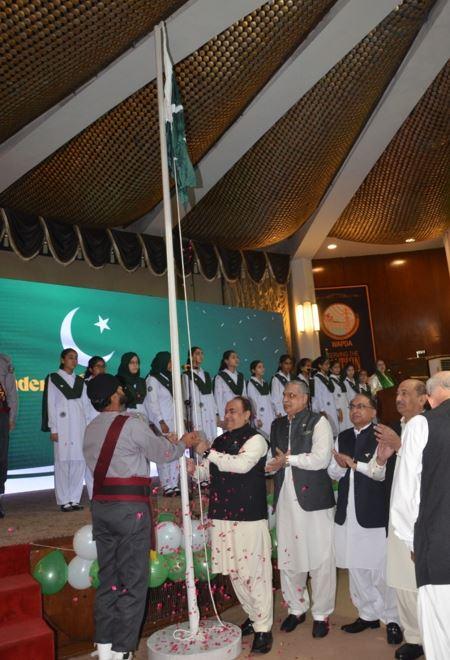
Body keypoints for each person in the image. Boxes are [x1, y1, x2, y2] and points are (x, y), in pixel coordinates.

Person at [84, 373, 200, 660]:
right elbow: (164, 453)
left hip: (101, 509)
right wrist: (183, 442)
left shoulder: (90, 428)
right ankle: (123, 650)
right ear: (112, 396)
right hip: (129, 509)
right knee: (133, 582)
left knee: (109, 578)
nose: (124, 390)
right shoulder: (130, 424)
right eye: (120, 388)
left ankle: (105, 648)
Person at [188, 396, 273, 655]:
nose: (229, 415)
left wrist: (207, 452)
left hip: (248, 516)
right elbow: (207, 471)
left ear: (248, 414)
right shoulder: (220, 441)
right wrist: (194, 468)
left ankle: (263, 628)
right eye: (226, 412)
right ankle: (252, 614)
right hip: (222, 516)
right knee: (234, 570)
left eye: (234, 411)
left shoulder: (256, 440)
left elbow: (241, 465)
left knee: (254, 572)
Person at [328, 394, 402, 645]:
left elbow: (380, 474)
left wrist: (352, 463)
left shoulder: (383, 434)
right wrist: (339, 464)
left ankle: (393, 619)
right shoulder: (344, 436)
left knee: (381, 569)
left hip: (374, 510)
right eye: (352, 406)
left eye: (362, 406)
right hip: (348, 512)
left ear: (373, 411)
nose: (356, 410)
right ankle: (367, 613)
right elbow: (334, 472)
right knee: (356, 567)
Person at [266, 380, 336, 638]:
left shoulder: (319, 422)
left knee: (320, 558)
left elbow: (321, 458)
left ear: (305, 399)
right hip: (285, 497)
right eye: (285, 395)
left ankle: (321, 613)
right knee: (289, 557)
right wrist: (270, 465)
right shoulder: (277, 425)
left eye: (292, 395)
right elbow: (270, 459)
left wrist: (288, 460)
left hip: (314, 500)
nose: (286, 399)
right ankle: (296, 609)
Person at [391, 371, 450, 660]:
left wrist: (413, 541)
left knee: (441, 629)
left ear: (429, 396)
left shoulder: (421, 425)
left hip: (439, 544)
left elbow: (405, 494)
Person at [372, 380, 427, 660]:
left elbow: (427, 466)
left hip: (422, 519)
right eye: (398, 393)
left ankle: (435, 635)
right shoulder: (393, 428)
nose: (399, 398)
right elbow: (377, 471)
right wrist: (381, 461)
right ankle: (415, 638)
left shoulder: (431, 427)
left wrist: (401, 446)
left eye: (406, 393)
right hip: (396, 518)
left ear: (423, 399)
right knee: (402, 582)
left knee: (426, 583)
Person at [42, 348, 87, 512]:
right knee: (62, 463)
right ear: (62, 360)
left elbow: (86, 405)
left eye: (75, 358)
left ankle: (74, 499)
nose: (73, 361)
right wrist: (53, 428)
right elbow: (50, 404)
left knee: (78, 462)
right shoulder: (53, 378)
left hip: (79, 426)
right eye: (70, 358)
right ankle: (63, 500)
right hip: (62, 426)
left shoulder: (80, 382)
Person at [146, 351, 180, 497]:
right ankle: (166, 484)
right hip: (162, 422)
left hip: (174, 420)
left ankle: (174, 483)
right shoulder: (153, 379)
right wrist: (160, 420)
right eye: (169, 361)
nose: (172, 364)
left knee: (175, 451)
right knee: (164, 452)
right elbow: (152, 402)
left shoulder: (171, 378)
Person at [182, 346, 219, 443]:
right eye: (198, 353)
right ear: (191, 356)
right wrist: (186, 418)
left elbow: (211, 395)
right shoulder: (187, 375)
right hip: (196, 412)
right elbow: (185, 398)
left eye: (202, 353)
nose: (201, 356)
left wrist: (216, 413)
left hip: (209, 412)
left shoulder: (206, 374)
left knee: (212, 437)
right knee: (199, 439)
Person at [82, 356, 107, 499]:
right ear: (91, 369)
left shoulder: (108, 383)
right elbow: (84, 408)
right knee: (92, 462)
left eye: (103, 366)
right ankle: (93, 496)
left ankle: (105, 494)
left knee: (106, 461)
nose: (101, 369)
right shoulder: (85, 384)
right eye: (98, 366)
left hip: (106, 425)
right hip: (91, 427)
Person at [0, 352, 18, 518]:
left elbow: (11, 391)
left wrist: (11, 417)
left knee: (1, 458)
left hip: (1, 415)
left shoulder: (4, 361)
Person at [214, 350, 247, 424]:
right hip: (228, 414)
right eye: (233, 357)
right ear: (226, 361)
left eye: (237, 357)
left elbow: (244, 396)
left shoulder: (241, 376)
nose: (236, 359)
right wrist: (221, 417)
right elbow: (218, 398)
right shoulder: (220, 377)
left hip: (240, 413)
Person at [116, 352, 151, 420]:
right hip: (124, 417)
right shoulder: (118, 380)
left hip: (143, 417)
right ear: (125, 364)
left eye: (137, 362)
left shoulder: (142, 381)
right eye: (131, 362)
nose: (135, 365)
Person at [311, 355, 339, 437]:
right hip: (325, 409)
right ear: (320, 366)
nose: (328, 366)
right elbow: (317, 396)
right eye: (326, 364)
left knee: (334, 430)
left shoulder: (326, 377)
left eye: (328, 364)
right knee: (327, 432)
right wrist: (321, 410)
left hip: (331, 408)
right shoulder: (316, 378)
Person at [247, 360, 275, 438]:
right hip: (261, 416)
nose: (262, 369)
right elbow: (252, 402)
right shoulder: (251, 383)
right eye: (259, 367)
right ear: (253, 370)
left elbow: (270, 399)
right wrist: (257, 419)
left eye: (263, 367)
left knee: (272, 435)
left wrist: (275, 412)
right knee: (263, 437)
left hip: (269, 415)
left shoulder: (264, 382)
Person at [330, 360, 352, 433]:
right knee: (342, 427)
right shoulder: (331, 380)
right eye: (335, 367)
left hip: (345, 406)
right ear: (331, 369)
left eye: (338, 367)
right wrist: (339, 410)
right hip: (340, 408)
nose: (337, 369)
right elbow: (334, 396)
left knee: (348, 426)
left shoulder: (339, 379)